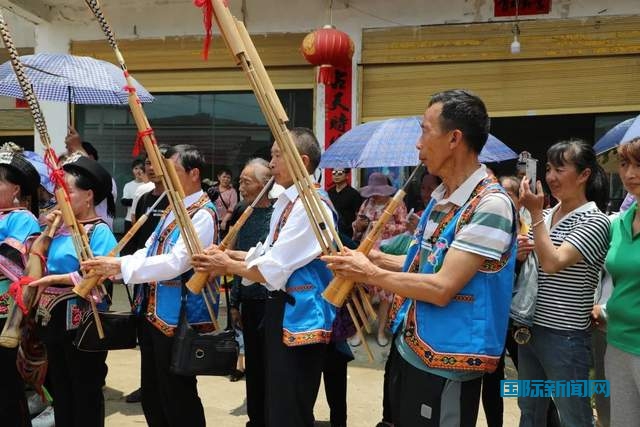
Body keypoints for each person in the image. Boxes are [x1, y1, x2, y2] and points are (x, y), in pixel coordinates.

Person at [323, 89, 517, 426]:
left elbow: (442, 286)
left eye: (425, 130)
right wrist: (370, 259)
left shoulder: (491, 205)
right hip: (410, 346)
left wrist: (368, 272)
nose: (418, 144)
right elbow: (421, 266)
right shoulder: (441, 199)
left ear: (454, 138)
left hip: (448, 357)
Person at [191, 128, 337, 427]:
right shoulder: (290, 201)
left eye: (277, 156)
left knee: (290, 407)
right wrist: (230, 257)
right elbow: (267, 254)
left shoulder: (312, 206)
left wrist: (226, 265)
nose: (271, 164)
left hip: (300, 315)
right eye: (272, 155)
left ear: (303, 161)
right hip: (281, 308)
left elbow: (274, 267)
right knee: (277, 400)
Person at [82, 145, 217, 427]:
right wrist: (118, 265)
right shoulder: (172, 206)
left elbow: (178, 262)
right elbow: (149, 249)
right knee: (153, 392)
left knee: (177, 393)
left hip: (176, 316)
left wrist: (122, 267)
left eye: (173, 171)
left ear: (194, 173)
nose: (167, 177)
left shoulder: (202, 213)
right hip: (152, 312)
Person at [517, 139, 610, 427]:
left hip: (566, 336)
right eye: (548, 169)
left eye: (560, 169)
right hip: (530, 328)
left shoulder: (596, 221)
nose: (551, 177)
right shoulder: (545, 215)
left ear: (584, 175)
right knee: (530, 412)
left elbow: (553, 262)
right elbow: (537, 264)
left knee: (575, 417)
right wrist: (521, 253)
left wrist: (533, 214)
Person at [27, 154, 117, 427]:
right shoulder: (57, 230)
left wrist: (56, 279)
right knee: (60, 389)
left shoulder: (98, 231)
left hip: (83, 321)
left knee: (85, 388)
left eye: (68, 192)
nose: (61, 198)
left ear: (88, 196)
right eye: (59, 193)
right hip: (51, 319)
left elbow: (100, 272)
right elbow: (36, 260)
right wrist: (49, 231)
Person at [227, 158, 273, 426]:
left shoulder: (279, 213)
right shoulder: (242, 210)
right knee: (253, 364)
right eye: (240, 181)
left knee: (272, 365)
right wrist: (235, 301)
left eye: (246, 181)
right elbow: (235, 262)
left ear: (264, 184)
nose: (241, 186)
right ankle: (255, 418)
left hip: (271, 299)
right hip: (249, 301)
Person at [597, 137, 640, 426]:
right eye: (625, 164)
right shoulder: (620, 222)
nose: (629, 174)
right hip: (617, 342)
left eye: (639, 165)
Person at [123, 148, 170, 404]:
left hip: (165, 279)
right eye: (148, 162)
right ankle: (146, 386)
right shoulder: (144, 198)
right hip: (143, 278)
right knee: (144, 337)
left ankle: (162, 387)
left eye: (157, 163)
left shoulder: (176, 199)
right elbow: (136, 237)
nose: (151, 167)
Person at [0, 149, 41, 427]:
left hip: (7, 316)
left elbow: (11, 261)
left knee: (6, 385)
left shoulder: (22, 219)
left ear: (15, 188)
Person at [351, 172, 407, 347]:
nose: (375, 195)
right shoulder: (367, 203)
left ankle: (381, 330)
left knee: (385, 296)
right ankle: (359, 331)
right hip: (365, 252)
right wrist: (358, 225)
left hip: (386, 252)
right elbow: (357, 224)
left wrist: (382, 225)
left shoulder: (396, 204)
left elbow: (403, 226)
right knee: (364, 293)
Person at [328, 168, 363, 239]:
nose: (336, 175)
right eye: (334, 173)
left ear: (347, 175)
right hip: (331, 229)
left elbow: (358, 214)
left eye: (340, 173)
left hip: (347, 232)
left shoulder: (354, 194)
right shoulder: (329, 192)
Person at [121, 159, 152, 232]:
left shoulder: (149, 185)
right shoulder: (128, 185)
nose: (138, 171)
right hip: (129, 219)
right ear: (132, 170)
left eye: (141, 168)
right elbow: (124, 201)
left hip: (144, 220)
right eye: (136, 168)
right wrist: (137, 201)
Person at [214, 168, 238, 235]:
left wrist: (224, 221)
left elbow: (232, 208)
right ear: (219, 177)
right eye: (224, 177)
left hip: (225, 222)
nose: (226, 179)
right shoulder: (213, 189)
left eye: (228, 177)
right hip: (213, 220)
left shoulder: (232, 192)